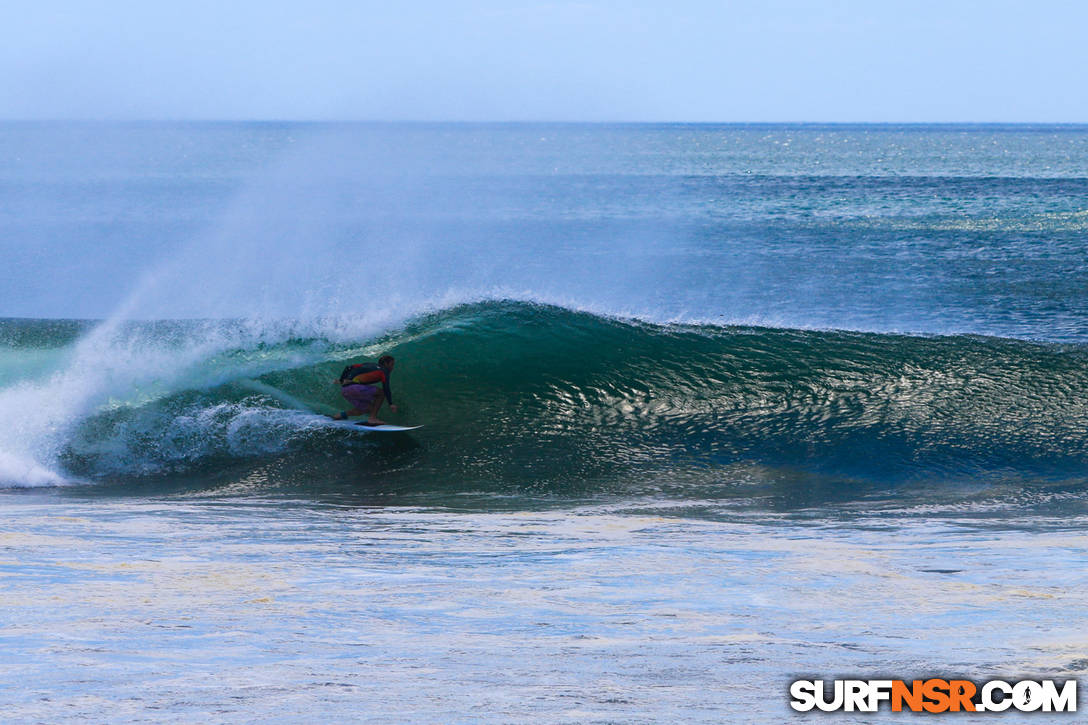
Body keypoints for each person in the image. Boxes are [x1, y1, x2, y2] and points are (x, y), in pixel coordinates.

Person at [331, 355, 398, 425]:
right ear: (385, 364)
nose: (392, 367)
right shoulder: (384, 371)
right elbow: (386, 388)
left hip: (345, 390)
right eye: (391, 364)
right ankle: (372, 418)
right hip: (355, 388)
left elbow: (348, 367)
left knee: (367, 409)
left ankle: (339, 415)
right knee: (381, 393)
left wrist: (341, 380)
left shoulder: (368, 364)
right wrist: (391, 404)